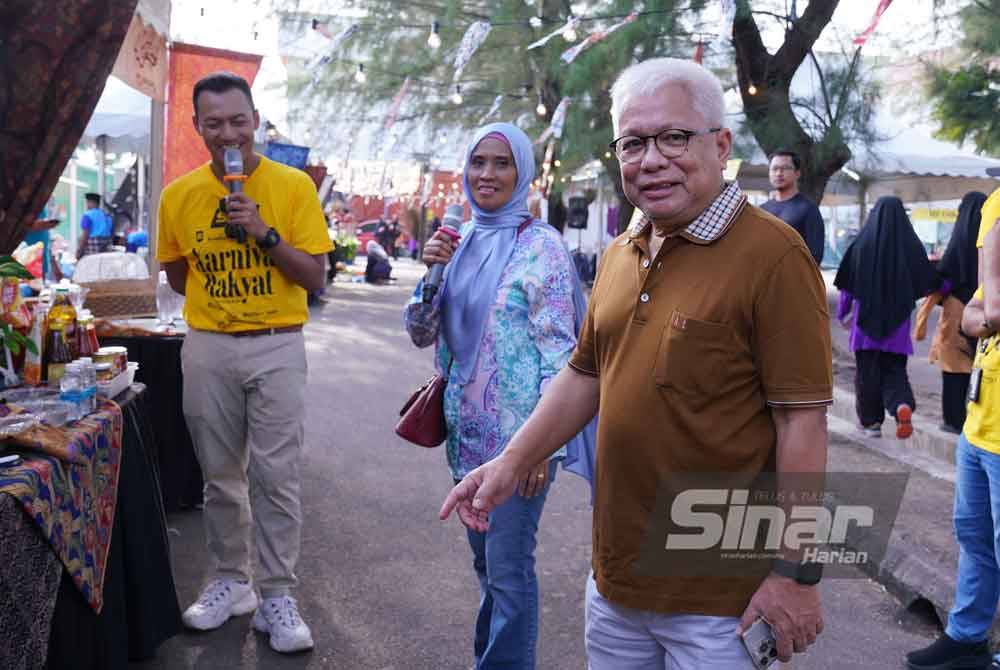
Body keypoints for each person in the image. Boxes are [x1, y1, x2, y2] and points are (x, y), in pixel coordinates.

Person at [440, 58, 831, 669]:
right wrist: (510, 462)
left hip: (720, 600)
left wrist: (795, 573)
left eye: (675, 137)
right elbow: (585, 373)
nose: (651, 159)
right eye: (632, 143)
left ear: (721, 144)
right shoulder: (623, 250)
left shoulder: (775, 257)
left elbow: (801, 425)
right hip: (616, 584)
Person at [406, 121, 594, 670]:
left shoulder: (544, 248)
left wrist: (540, 447)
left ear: (524, 174)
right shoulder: (457, 243)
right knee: (488, 566)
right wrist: (433, 271)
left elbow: (562, 356)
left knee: (509, 571)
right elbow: (421, 331)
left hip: (522, 442)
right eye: (478, 163)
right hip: (465, 434)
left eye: (501, 163)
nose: (487, 174)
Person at [156, 71, 332, 654]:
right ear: (198, 127)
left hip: (278, 343)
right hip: (208, 346)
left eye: (238, 120)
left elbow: (314, 276)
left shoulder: (292, 187)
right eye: (214, 123)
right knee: (220, 477)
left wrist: (261, 232)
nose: (228, 132)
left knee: (276, 477)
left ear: (255, 120)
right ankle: (231, 582)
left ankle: (278, 594)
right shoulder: (178, 196)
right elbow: (179, 276)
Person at [905, 187, 1000, 670]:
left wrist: (986, 313)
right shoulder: (996, 201)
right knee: (975, 536)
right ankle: (967, 637)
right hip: (981, 422)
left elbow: (991, 310)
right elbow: (974, 317)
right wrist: (984, 313)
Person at [834, 197, 936, 439]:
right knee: (894, 370)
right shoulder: (910, 245)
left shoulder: (861, 244)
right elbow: (926, 280)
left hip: (864, 324)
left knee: (867, 374)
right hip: (897, 326)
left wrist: (843, 314)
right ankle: (901, 404)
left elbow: (847, 286)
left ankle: (871, 424)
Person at [913, 192, 988, 433]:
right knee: (979, 368)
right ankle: (975, 419)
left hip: (956, 311)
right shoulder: (989, 242)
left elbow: (941, 278)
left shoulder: (956, 245)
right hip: (983, 309)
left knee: (953, 367)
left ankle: (952, 420)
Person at [761, 150, 825, 265]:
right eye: (774, 169)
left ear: (797, 173)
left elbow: (815, 256)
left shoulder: (808, 209)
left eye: (785, 168)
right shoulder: (762, 210)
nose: (779, 173)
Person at [24, 203, 63, 281]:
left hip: (41, 262)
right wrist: (40, 225)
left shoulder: (43, 205)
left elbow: (46, 239)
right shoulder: (23, 202)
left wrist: (55, 265)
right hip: (27, 260)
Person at [76, 192, 113, 258]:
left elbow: (85, 235)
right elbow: (111, 233)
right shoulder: (107, 215)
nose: (87, 205)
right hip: (106, 245)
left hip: (93, 246)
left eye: (87, 202)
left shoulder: (87, 215)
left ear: (91, 202)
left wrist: (79, 251)